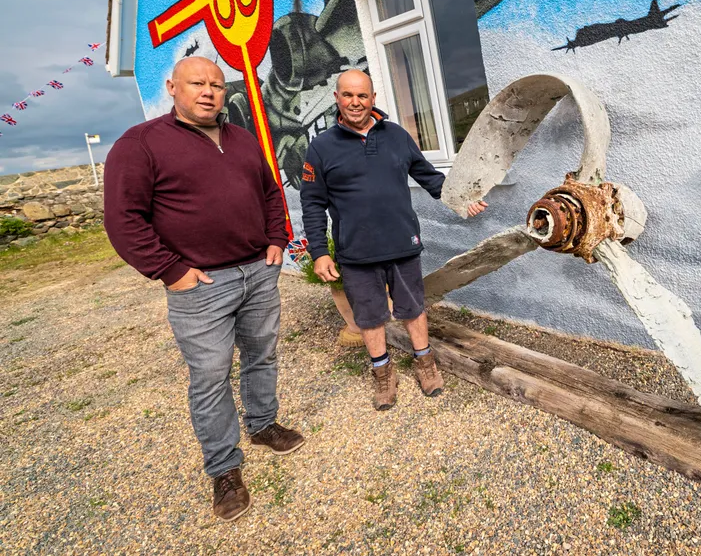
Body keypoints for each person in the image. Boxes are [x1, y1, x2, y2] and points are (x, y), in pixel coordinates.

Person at [103, 56, 303, 523]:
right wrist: (171, 271)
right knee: (211, 376)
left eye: (216, 83)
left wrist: (277, 240)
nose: (209, 92)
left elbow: (270, 193)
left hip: (257, 270)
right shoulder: (140, 145)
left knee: (262, 354)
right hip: (200, 286)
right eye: (198, 83)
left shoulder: (241, 138)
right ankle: (224, 468)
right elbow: (123, 220)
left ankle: (263, 424)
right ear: (173, 87)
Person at [300, 70, 487, 411]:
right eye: (348, 95)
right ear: (337, 99)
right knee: (369, 317)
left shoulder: (397, 136)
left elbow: (430, 177)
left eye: (362, 95)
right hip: (356, 253)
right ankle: (383, 373)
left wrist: (461, 198)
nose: (355, 102)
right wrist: (318, 252)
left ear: (373, 98)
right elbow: (312, 203)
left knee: (413, 309)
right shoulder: (321, 148)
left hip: (402, 244)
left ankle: (425, 362)